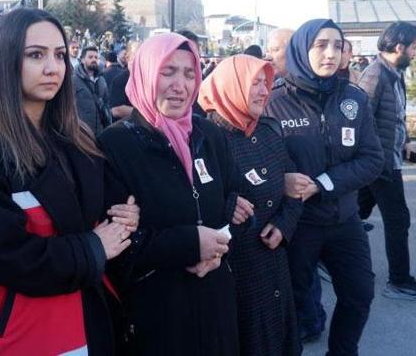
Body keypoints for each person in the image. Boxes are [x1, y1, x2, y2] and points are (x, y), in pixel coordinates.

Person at [0, 8, 139, 355]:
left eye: (60, 55)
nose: (53, 67)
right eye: (36, 55)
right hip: (26, 335)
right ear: (5, 61)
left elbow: (94, 218)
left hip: (89, 318)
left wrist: (122, 219)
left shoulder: (77, 138)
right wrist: (94, 246)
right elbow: (6, 255)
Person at [98, 32, 249, 355]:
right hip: (159, 316)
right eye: (168, 71)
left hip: (216, 305)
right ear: (146, 73)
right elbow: (120, 249)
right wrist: (191, 244)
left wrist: (218, 249)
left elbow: (235, 205)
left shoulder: (209, 135)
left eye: (189, 73)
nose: (180, 84)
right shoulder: (114, 146)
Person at [264, 19, 383, 356]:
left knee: (360, 295)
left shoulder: (354, 99)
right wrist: (280, 181)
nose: (331, 53)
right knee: (294, 305)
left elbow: (372, 158)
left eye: (337, 45)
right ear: (302, 49)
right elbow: (252, 160)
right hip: (297, 225)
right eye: (321, 45)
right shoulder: (274, 102)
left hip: (344, 221)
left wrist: (323, 184)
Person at [198, 54, 302, 356]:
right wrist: (225, 205)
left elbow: (292, 188)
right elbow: (192, 200)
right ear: (231, 85)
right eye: (254, 82)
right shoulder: (205, 139)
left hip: (274, 267)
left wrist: (284, 225)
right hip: (234, 272)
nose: (263, 90)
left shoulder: (268, 132)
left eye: (265, 83)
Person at [356, 21, 416, 302]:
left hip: (387, 159)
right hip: (380, 164)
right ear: (399, 47)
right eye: (414, 46)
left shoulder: (394, 73)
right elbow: (360, 122)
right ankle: (399, 281)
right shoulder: (375, 75)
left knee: (355, 212)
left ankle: (327, 255)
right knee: (398, 219)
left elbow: (393, 115)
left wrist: (404, 142)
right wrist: (375, 158)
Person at [74, 45, 112, 135]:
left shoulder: (101, 80)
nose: (94, 59)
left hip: (100, 131)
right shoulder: (73, 81)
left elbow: (107, 103)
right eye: (90, 57)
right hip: (81, 133)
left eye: (96, 57)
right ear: (83, 60)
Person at [109, 41, 141, 120]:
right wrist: (145, 113)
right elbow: (116, 110)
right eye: (137, 54)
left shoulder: (147, 79)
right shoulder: (119, 80)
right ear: (127, 57)